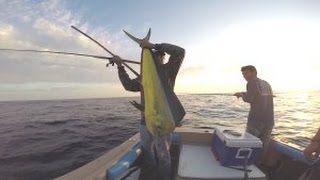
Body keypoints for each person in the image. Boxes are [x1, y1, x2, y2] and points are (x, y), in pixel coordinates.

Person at [110, 41, 185, 180]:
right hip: (145, 122)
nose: (160, 58)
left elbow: (180, 52)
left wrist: (154, 46)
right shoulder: (143, 77)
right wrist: (120, 66)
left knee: (163, 156)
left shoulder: (168, 71)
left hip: (162, 122)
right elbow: (128, 85)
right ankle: (150, 175)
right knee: (147, 153)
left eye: (162, 56)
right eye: (157, 56)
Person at [234, 65, 274, 164]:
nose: (244, 76)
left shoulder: (251, 82)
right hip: (269, 120)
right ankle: (258, 163)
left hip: (256, 120)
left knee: (250, 143)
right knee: (263, 144)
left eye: (246, 73)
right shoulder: (266, 83)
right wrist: (244, 93)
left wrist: (241, 95)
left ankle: (246, 164)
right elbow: (258, 95)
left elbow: (249, 99)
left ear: (254, 72)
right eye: (243, 74)